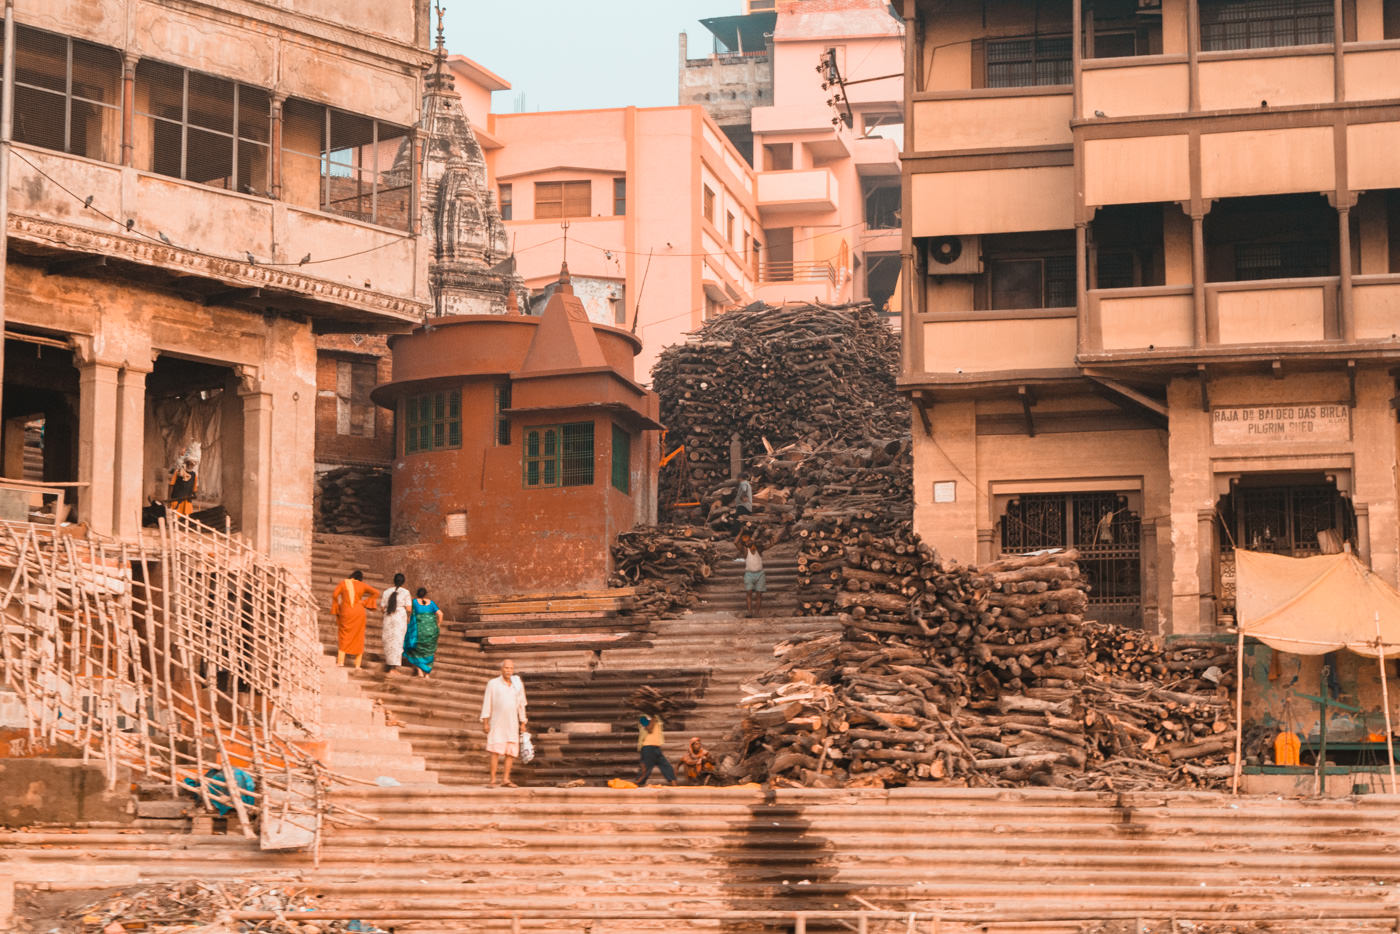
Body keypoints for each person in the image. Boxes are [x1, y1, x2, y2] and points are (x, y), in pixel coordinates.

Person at [481, 659, 527, 787]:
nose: (509, 671)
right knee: (495, 751)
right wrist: (485, 722)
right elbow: (487, 703)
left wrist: (523, 722)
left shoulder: (517, 684)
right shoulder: (493, 683)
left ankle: (506, 779)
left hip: (512, 722)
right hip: (497, 722)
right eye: (506, 668)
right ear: (501, 669)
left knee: (510, 752)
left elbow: (521, 704)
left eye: (511, 668)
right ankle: (493, 780)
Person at [332, 570, 380, 669]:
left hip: (346, 611)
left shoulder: (344, 583)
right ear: (360, 578)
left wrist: (337, 606)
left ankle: (341, 661)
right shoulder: (362, 585)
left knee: (344, 635)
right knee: (359, 636)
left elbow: (335, 595)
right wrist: (364, 602)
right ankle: (357, 665)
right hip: (359, 612)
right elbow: (376, 593)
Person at [402, 587, 442, 678]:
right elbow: (440, 614)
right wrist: (438, 626)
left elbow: (409, 612)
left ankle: (419, 671)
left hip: (419, 631)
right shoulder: (431, 603)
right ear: (425, 594)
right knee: (429, 652)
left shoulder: (414, 602)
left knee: (416, 651)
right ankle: (427, 674)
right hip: (431, 632)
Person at [380, 573, 412, 674]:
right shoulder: (406, 592)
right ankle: (393, 668)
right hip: (399, 618)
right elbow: (409, 608)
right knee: (397, 641)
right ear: (403, 582)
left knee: (388, 640)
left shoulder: (386, 592)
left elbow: (382, 608)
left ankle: (390, 665)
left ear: (393, 580)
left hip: (388, 617)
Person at [636, 714, 676, 786]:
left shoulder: (657, 717)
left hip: (656, 748)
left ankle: (675, 786)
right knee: (645, 772)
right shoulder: (643, 718)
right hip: (647, 748)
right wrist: (653, 718)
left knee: (667, 767)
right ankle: (635, 787)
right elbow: (649, 729)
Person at [739, 533, 765, 618]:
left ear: (751, 541)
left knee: (759, 594)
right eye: (745, 542)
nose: (748, 543)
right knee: (749, 593)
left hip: (760, 573)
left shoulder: (758, 549)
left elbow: (769, 544)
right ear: (745, 544)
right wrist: (741, 532)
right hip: (749, 573)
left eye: (749, 541)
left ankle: (757, 613)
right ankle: (750, 612)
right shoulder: (745, 551)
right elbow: (735, 542)